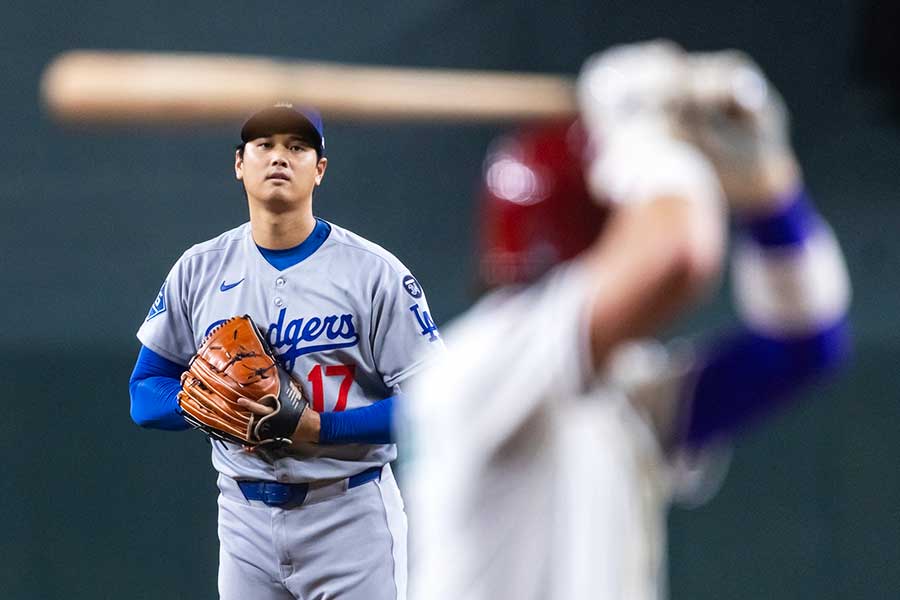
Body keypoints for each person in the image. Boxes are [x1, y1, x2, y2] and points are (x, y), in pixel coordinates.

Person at [404, 41, 851, 600]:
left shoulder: (624, 394)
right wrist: (650, 147)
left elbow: (806, 344)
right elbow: (677, 254)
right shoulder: (475, 369)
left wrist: (770, 190)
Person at [129, 103, 442, 600]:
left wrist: (322, 428)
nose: (280, 157)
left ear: (319, 170)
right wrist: (213, 407)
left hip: (348, 514)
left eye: (297, 147)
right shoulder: (199, 269)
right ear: (239, 164)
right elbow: (144, 395)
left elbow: (434, 404)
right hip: (243, 517)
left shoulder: (375, 273)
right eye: (265, 145)